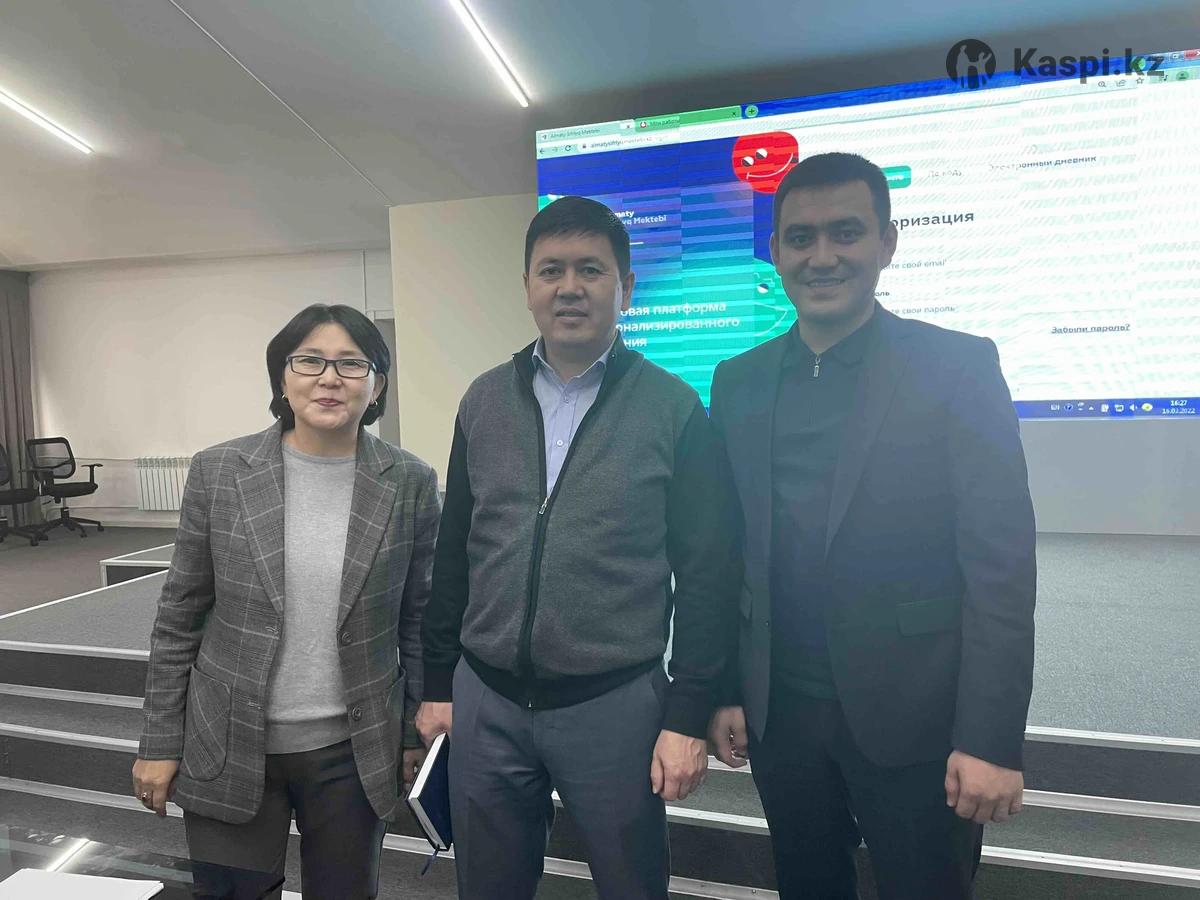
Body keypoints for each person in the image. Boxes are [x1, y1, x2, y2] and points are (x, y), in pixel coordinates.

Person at [708, 153, 1037, 900]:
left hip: (917, 718)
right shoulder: (739, 381)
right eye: (801, 238)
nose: (822, 256)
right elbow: (727, 554)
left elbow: (1001, 568)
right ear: (776, 252)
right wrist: (724, 688)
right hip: (782, 719)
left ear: (887, 243)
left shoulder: (956, 367)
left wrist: (989, 738)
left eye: (846, 232)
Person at [416, 196, 741, 900]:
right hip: (488, 699)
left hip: (614, 704)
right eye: (551, 270)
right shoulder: (482, 400)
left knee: (632, 886)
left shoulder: (673, 408)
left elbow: (708, 575)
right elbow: (455, 553)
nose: (570, 287)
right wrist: (438, 682)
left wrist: (687, 714)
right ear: (527, 286)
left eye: (591, 270)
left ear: (626, 287)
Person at [132, 303, 440, 899]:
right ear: (282, 376)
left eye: (352, 363)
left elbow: (418, 621)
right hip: (227, 738)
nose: (330, 378)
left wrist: (410, 736)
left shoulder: (410, 481)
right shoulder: (220, 471)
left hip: (353, 751)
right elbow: (178, 618)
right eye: (310, 361)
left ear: (377, 385)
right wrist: (160, 741)